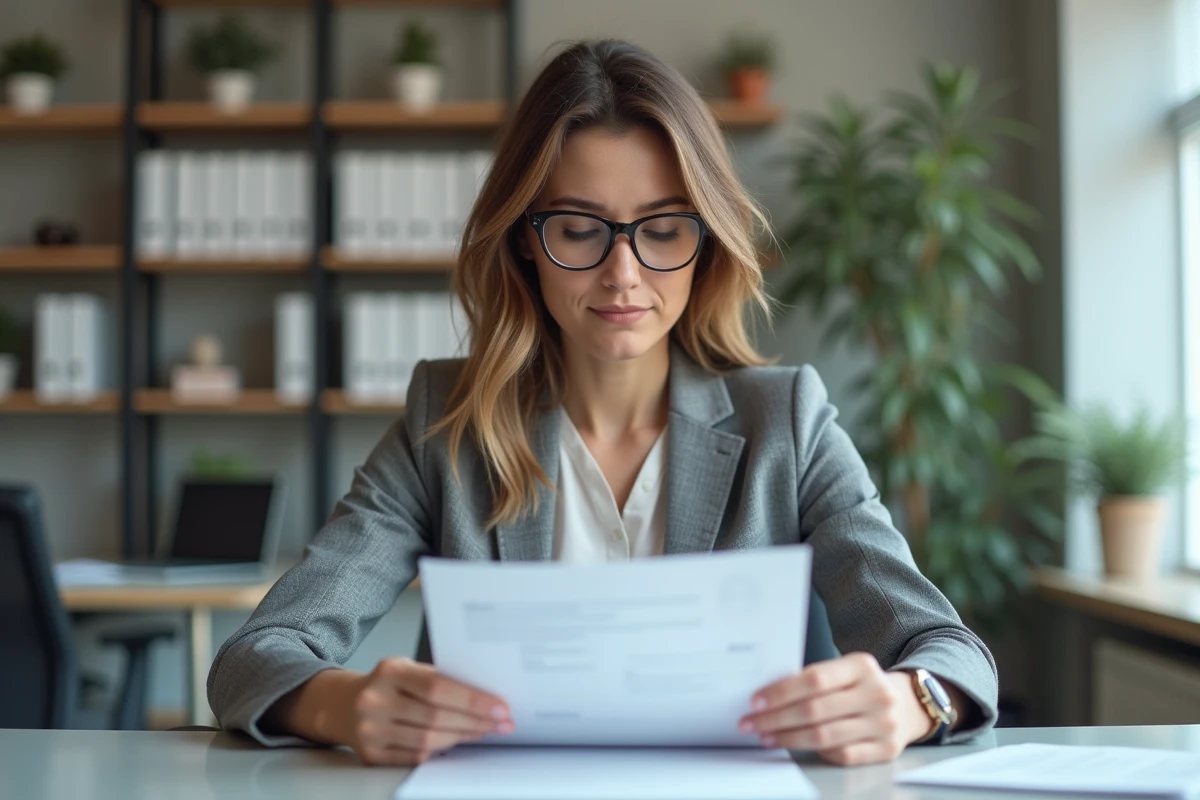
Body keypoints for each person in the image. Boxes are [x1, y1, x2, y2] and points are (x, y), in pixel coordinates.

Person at [208, 38, 998, 768]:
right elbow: (253, 657)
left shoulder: (785, 422)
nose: (623, 274)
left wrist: (909, 701)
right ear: (526, 238)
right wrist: (345, 705)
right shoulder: (446, 424)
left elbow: (948, 650)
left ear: (706, 240)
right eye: (580, 229)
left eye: (663, 229)